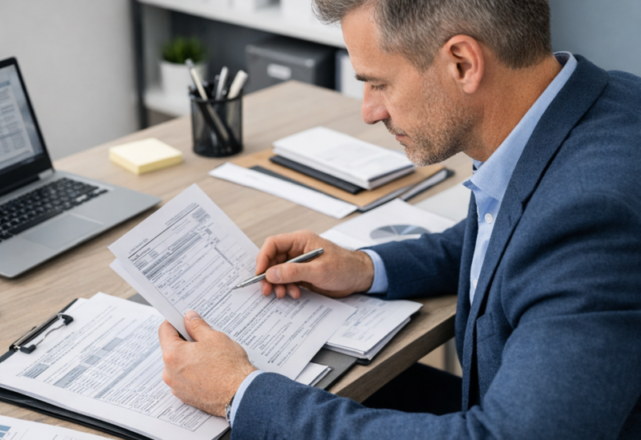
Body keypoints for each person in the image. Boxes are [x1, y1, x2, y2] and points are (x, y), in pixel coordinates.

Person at [157, 0, 641, 437]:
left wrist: (238, 392)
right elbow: (511, 235)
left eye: (378, 82)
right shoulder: (594, 103)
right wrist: (366, 268)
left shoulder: (590, 218)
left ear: (462, 63)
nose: (368, 111)